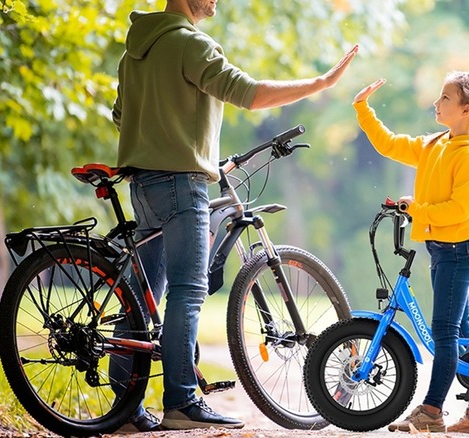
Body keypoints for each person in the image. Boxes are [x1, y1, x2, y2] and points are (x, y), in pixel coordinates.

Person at [109, 0, 359, 432]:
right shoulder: (191, 44)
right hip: (180, 184)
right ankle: (182, 402)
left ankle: (126, 407)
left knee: (139, 295)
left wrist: (184, 147)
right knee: (188, 291)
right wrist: (321, 82)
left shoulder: (135, 50)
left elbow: (122, 116)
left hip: (142, 184)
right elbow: (251, 94)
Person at [352, 72, 469, 434]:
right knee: (461, 333)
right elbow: (391, 145)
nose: (437, 104)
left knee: (444, 334)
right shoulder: (438, 143)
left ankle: (432, 411)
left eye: (445, 98)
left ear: (467, 110)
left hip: (457, 252)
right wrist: (362, 109)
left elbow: (459, 211)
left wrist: (415, 208)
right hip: (442, 251)